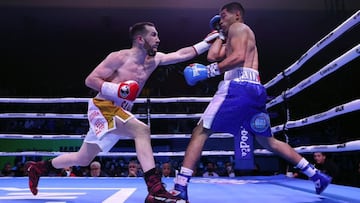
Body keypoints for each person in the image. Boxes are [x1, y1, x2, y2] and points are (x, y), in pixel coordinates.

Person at [25, 21, 219, 203]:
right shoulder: (118, 57)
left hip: (120, 111)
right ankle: (155, 189)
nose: (158, 39)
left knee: (83, 158)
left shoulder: (154, 60)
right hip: (103, 106)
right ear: (140, 39)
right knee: (141, 130)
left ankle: (39, 167)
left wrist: (205, 43)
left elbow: (180, 54)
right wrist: (116, 90)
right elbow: (91, 79)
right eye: (154, 35)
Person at [171, 2, 332, 201]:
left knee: (201, 131)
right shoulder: (233, 34)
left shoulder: (239, 28)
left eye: (223, 16)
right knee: (268, 141)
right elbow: (213, 56)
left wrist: (208, 72)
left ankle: (180, 186)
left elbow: (237, 58)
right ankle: (316, 175)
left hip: (237, 86)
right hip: (254, 89)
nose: (221, 20)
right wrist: (220, 34)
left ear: (237, 14)